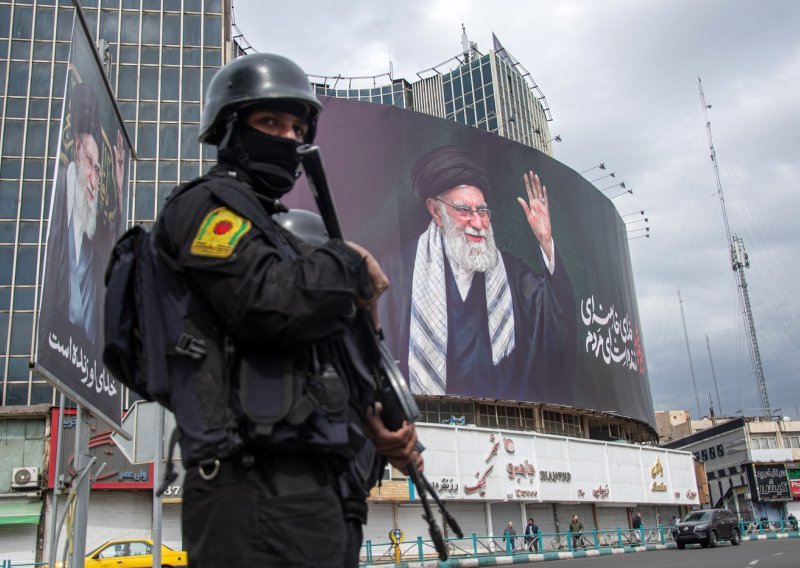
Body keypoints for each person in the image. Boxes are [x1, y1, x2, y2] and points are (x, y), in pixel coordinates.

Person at [153, 53, 419, 568]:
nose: (287, 137)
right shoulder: (207, 206)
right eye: (270, 121)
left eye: (297, 128)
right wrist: (348, 263)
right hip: (255, 490)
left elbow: (318, 360)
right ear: (230, 128)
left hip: (311, 493)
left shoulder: (272, 231)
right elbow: (268, 305)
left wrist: (375, 427)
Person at [380, 146, 576, 402]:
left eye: (482, 211)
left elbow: (554, 317)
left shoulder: (512, 274)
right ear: (436, 211)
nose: (477, 222)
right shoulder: (398, 274)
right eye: (464, 210)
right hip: (427, 417)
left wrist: (546, 242)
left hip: (500, 418)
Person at [42, 81, 125, 343]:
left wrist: (119, 192)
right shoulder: (57, 197)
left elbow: (115, 246)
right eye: (90, 162)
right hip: (55, 344)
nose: (93, 179)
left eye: (97, 170)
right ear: (76, 148)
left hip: (85, 353)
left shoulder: (94, 225)